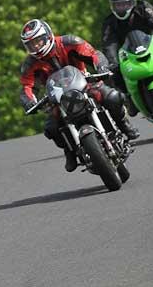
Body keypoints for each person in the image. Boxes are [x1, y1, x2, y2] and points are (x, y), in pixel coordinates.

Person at [19, 19, 139, 172]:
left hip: (85, 85)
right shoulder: (29, 64)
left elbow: (93, 53)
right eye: (31, 44)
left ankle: (123, 124)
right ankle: (70, 151)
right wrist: (28, 101)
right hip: (57, 98)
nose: (36, 46)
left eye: (38, 41)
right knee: (51, 128)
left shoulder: (69, 42)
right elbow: (26, 86)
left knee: (113, 97)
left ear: (48, 35)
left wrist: (100, 65)